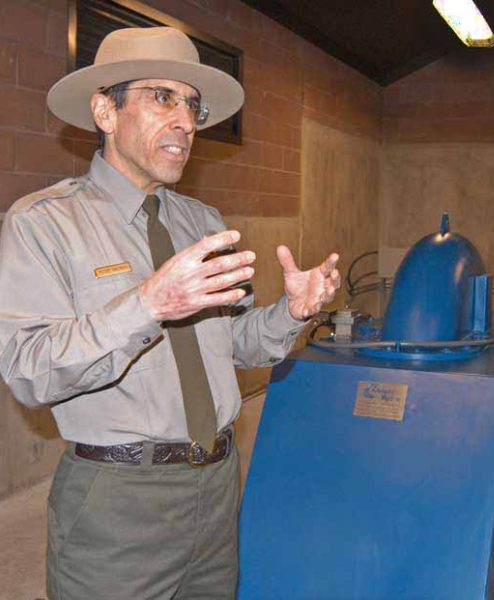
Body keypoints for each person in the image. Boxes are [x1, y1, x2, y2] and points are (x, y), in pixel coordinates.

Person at [0, 26, 340, 599]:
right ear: (105, 112)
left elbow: (235, 342)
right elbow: (30, 370)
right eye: (163, 97)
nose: (186, 121)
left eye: (192, 104)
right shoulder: (44, 224)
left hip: (217, 483)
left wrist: (290, 312)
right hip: (117, 500)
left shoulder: (202, 223)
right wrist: (147, 305)